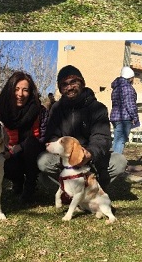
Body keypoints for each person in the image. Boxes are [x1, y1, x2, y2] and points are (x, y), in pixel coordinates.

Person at [37, 65, 128, 195]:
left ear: (82, 83)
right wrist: (66, 155)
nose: (69, 87)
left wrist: (89, 153)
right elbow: (52, 136)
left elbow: (102, 137)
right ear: (60, 88)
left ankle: (91, 189)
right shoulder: (56, 109)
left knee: (119, 162)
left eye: (73, 82)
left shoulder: (98, 108)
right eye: (64, 84)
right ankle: (70, 192)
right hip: (65, 159)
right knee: (43, 161)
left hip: (90, 160)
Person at [0, 71, 43, 203]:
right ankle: (18, 181)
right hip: (10, 151)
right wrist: (7, 150)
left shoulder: (36, 109)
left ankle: (30, 185)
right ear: (10, 90)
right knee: (3, 161)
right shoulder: (2, 109)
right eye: (16, 89)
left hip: (30, 151)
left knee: (31, 143)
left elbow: (38, 135)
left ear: (30, 92)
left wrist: (20, 146)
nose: (20, 94)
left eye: (25, 90)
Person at [110, 66, 139, 154]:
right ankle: (116, 164)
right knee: (120, 141)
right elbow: (130, 105)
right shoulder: (128, 88)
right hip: (124, 118)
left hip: (115, 117)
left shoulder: (116, 88)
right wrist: (135, 117)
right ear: (130, 78)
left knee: (116, 140)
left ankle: (111, 161)